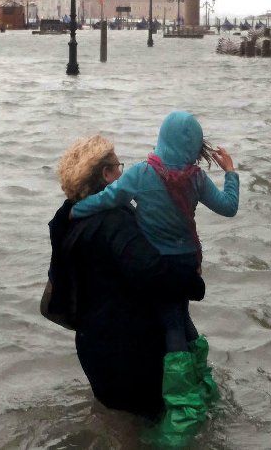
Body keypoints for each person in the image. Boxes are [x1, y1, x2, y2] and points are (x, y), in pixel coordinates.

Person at [71, 112, 239, 439]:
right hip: (189, 262)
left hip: (158, 267)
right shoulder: (196, 179)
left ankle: (182, 407)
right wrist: (230, 173)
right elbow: (229, 206)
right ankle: (204, 383)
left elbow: (110, 198)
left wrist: (76, 210)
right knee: (183, 318)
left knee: (172, 322)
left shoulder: (141, 173)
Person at [47, 135, 206, 421]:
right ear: (107, 175)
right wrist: (194, 282)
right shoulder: (114, 221)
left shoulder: (67, 219)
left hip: (93, 347)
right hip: (130, 353)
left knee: (118, 426)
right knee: (149, 425)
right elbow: (152, 272)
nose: (123, 172)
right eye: (118, 166)